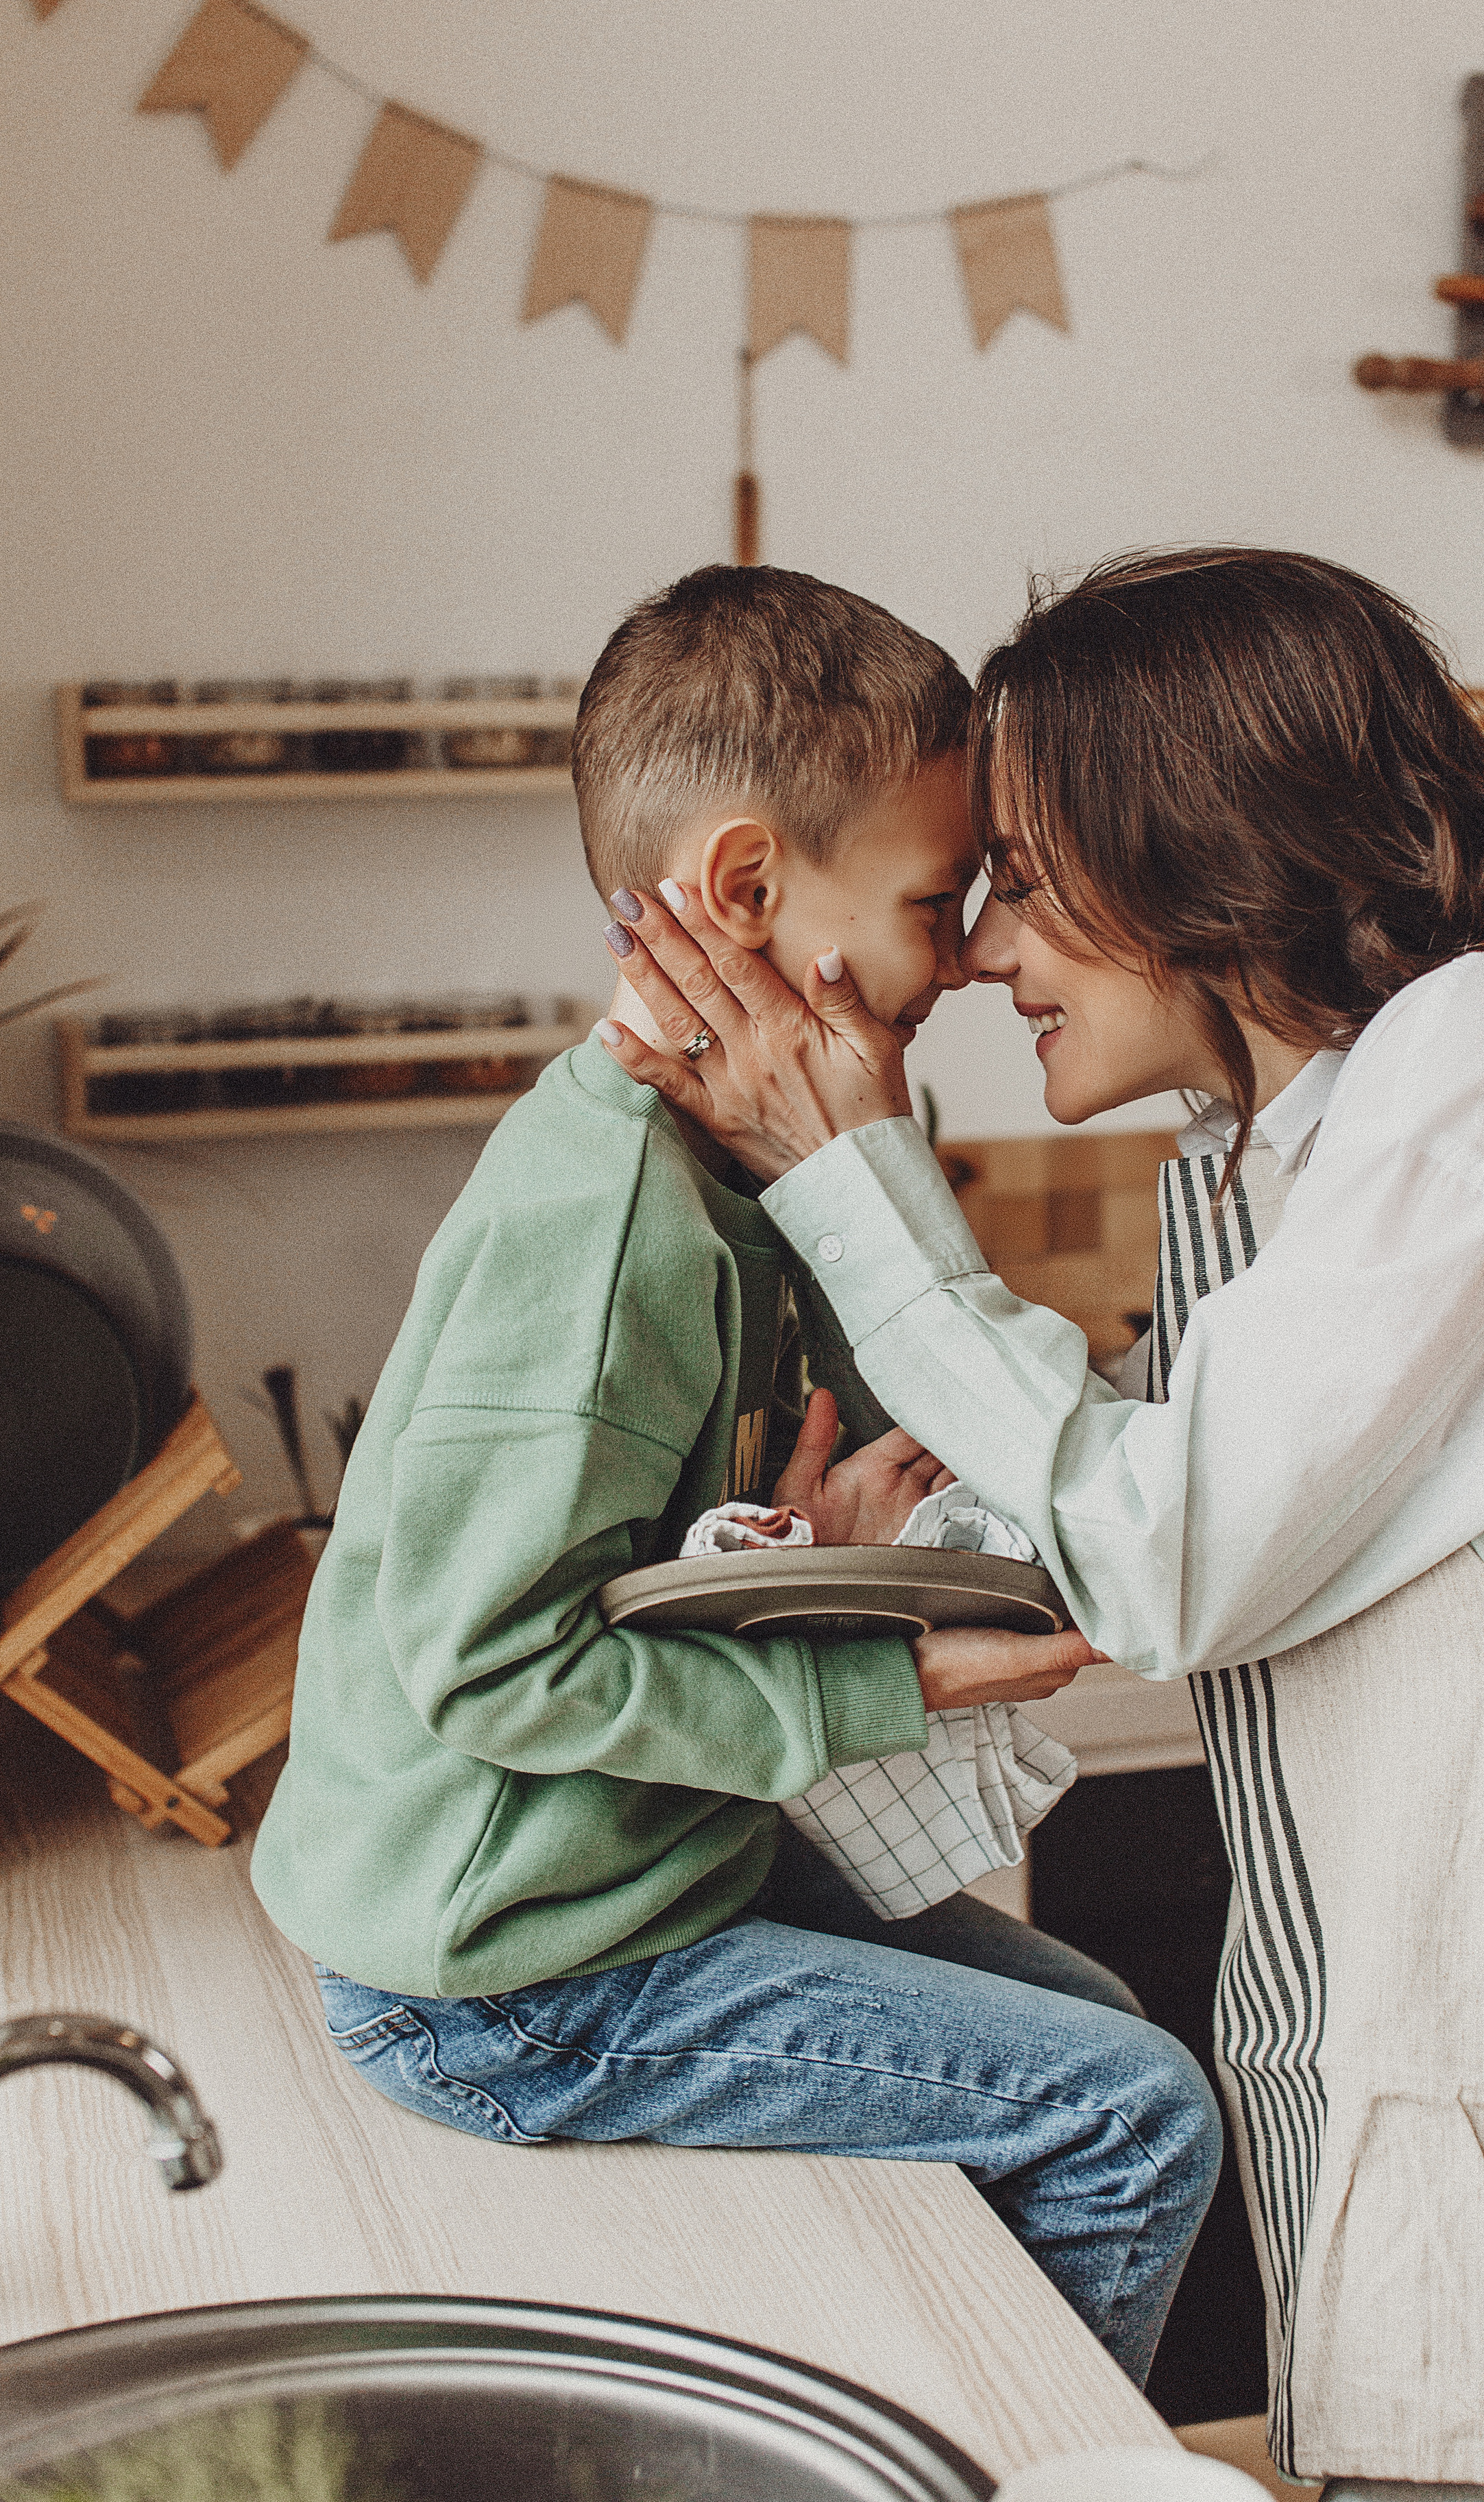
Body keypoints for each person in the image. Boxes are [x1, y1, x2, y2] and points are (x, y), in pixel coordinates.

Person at [594, 548, 1484, 2502]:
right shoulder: (1278, 1152)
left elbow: (1173, 1551)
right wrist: (840, 1552)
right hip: (1440, 2046)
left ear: (1195, 850)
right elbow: (1134, 1510)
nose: (976, 952)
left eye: (1028, 879)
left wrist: (857, 1178)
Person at [251, 563, 1223, 2390]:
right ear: (751, 891)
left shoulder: (754, 1165)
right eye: (941, 902)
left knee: (1100, 2023)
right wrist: (884, 1671)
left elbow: (924, 1417)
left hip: (632, 1881)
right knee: (1133, 2116)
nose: (971, 958)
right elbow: (490, 1660)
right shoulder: (611, 1218)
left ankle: (919, 2401)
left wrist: (829, 1538)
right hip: (509, 1975)